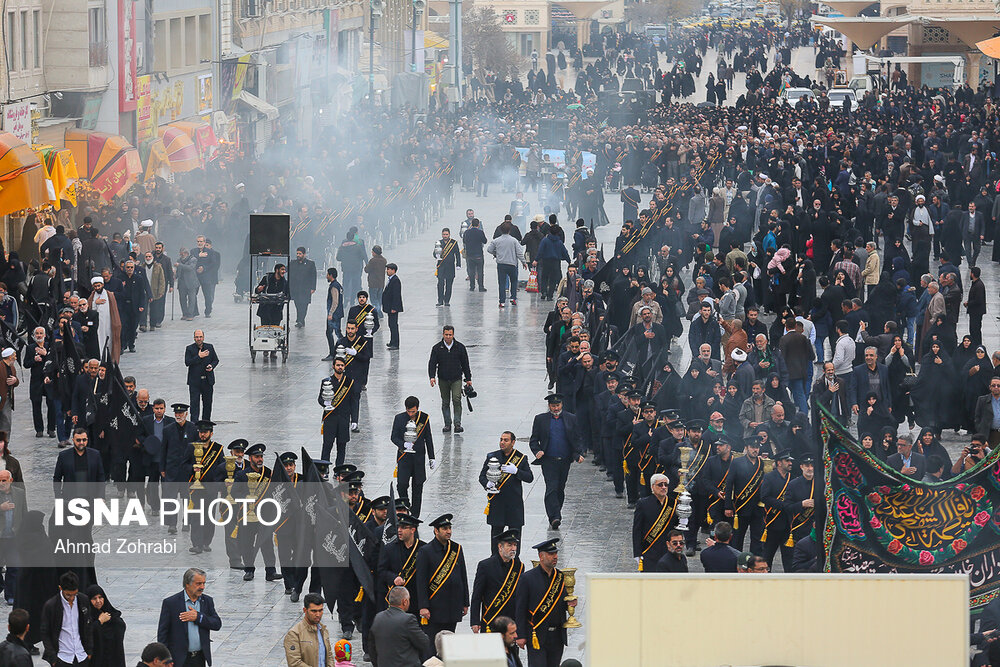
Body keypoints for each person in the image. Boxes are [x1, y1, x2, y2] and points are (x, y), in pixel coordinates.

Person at [515, 539, 574, 667]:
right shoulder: (527, 578)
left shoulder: (559, 576)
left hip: (557, 636)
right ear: (541, 556)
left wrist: (570, 603)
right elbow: (520, 609)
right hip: (537, 634)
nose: (555, 557)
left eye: (556, 554)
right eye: (551, 554)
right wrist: (520, 634)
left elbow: (562, 602)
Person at [529, 394, 584, 530]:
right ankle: (554, 517)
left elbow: (577, 438)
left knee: (560, 488)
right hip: (548, 460)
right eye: (553, 406)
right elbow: (534, 439)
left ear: (561, 405)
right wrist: (537, 451)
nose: (555, 408)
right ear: (549, 406)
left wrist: (578, 454)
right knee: (551, 488)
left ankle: (556, 511)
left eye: (557, 405)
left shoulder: (571, 418)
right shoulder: (540, 419)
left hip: (565, 460)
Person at [415, 514, 469, 643]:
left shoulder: (456, 549)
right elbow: (421, 581)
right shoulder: (425, 551)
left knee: (450, 643)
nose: (449, 531)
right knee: (433, 644)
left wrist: (465, 602)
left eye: (449, 528)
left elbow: (463, 576)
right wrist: (423, 606)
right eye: (445, 528)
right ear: (436, 530)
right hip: (435, 607)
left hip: (453, 606)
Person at [478, 432, 533, 553]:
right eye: (501, 439)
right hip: (497, 503)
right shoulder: (492, 457)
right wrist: (487, 484)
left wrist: (517, 471)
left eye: (506, 440)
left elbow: (529, 477)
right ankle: (495, 561)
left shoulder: (521, 458)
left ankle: (515, 562)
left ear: (513, 442)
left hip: (514, 504)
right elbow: (482, 476)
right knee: (496, 536)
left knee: (515, 537)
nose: (502, 442)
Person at [156, 568, 222, 667]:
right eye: (198, 584)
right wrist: (165, 659)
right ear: (187, 584)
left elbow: (217, 624)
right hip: (178, 659)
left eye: (204, 583)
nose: (202, 587)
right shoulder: (171, 603)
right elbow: (162, 634)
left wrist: (198, 617)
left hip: (199, 658)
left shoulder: (207, 601)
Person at [470, 530, 523, 635]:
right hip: (491, 619)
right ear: (500, 547)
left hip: (510, 621)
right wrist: (475, 621)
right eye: (509, 545)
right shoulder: (485, 565)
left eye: (515, 545)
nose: (513, 549)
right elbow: (477, 595)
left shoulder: (519, 566)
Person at [390, 396, 435, 517]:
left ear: (418, 409)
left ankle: (415, 515)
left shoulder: (424, 418)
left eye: (413, 411)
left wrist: (432, 457)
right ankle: (405, 505)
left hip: (419, 459)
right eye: (409, 411)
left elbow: (428, 438)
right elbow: (393, 437)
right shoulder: (399, 418)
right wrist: (403, 444)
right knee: (402, 485)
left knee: (418, 488)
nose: (411, 414)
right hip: (404, 458)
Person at [40, 571, 92, 667]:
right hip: (62, 658)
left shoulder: (83, 600)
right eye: (68, 595)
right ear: (60, 588)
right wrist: (53, 658)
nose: (72, 598)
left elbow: (88, 626)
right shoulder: (51, 606)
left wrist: (89, 651)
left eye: (74, 594)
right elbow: (45, 633)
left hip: (82, 656)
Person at [427, 326, 472, 433]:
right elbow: (432, 363)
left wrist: (468, 378)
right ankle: (447, 424)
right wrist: (432, 377)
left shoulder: (460, 347)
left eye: (450, 335)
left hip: (456, 378)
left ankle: (457, 423)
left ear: (453, 335)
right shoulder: (437, 348)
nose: (448, 337)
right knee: (445, 402)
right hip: (443, 379)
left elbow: (465, 363)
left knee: (456, 399)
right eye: (446, 334)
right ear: (443, 334)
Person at [370, 586, 429, 667]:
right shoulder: (408, 619)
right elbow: (424, 643)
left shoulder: (378, 617)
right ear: (404, 602)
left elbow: (372, 648)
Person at [319, 357, 357, 466]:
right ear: (333, 366)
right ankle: (324, 469)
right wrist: (325, 403)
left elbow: (354, 402)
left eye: (342, 365)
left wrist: (354, 420)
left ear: (344, 367)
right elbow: (320, 398)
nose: (340, 367)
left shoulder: (349, 382)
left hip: (344, 419)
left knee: (342, 446)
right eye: (338, 365)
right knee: (327, 445)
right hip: (330, 418)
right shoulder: (326, 382)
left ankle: (338, 470)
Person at [631, 473, 673, 571]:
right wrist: (637, 553)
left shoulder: (673, 503)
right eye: (660, 485)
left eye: (666, 485)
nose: (663, 487)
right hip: (649, 550)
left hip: (668, 551)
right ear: (652, 487)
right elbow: (637, 530)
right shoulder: (643, 504)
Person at [283, 593, 332, 667]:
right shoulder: (294, 634)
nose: (318, 614)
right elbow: (294, 663)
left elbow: (329, 656)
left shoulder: (323, 630)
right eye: (314, 611)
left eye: (320, 610)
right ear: (305, 610)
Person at [486, 223, 527, 308]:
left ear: (501, 230)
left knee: (502, 283)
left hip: (501, 265)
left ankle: (502, 301)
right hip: (512, 264)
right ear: (509, 231)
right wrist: (524, 262)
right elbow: (519, 253)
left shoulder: (496, 240)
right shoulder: (514, 240)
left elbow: (489, 249)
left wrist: (496, 253)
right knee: (514, 281)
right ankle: (513, 298)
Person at [86, 584, 126, 667]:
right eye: (94, 598)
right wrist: (99, 622)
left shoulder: (112, 615)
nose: (98, 601)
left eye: (100, 597)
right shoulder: (85, 616)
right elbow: (86, 633)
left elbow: (121, 626)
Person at [184, 330, 218, 422]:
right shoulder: (189, 349)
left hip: (207, 381)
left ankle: (206, 423)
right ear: (194, 338)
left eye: (200, 337)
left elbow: (215, 360)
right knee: (194, 404)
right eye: (197, 337)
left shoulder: (209, 347)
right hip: (195, 381)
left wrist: (211, 366)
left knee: (207, 404)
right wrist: (199, 356)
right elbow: (187, 362)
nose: (199, 339)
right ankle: (194, 424)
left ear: (203, 337)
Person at [289, 247, 318, 328]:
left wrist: (313, 287)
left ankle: (300, 320)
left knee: (304, 305)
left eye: (300, 254)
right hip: (295, 288)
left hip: (306, 288)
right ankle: (300, 319)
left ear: (304, 254)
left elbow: (313, 276)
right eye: (297, 253)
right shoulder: (293, 263)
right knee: (297, 305)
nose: (298, 255)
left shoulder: (310, 264)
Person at [194, 236, 219, 318]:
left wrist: (204, 268)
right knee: (193, 294)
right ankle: (194, 311)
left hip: (206, 276)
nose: (199, 243)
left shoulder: (210, 252)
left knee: (207, 295)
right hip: (196, 276)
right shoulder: (193, 251)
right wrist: (199, 256)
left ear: (204, 242)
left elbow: (213, 263)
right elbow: (191, 260)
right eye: (198, 241)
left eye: (201, 241)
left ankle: (208, 311)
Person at [434, 228, 461, 307]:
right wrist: (436, 255)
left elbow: (457, 254)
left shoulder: (453, 243)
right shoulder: (439, 243)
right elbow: (434, 253)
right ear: (442, 235)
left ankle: (447, 301)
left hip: (450, 267)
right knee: (440, 284)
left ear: (449, 234)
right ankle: (440, 300)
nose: (445, 236)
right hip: (441, 266)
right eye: (444, 234)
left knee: (449, 285)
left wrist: (458, 264)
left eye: (446, 234)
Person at [324, 268, 345, 360]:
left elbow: (335, 301)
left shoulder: (334, 286)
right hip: (338, 313)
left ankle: (333, 353)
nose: (326, 276)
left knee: (331, 333)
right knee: (336, 332)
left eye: (327, 274)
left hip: (334, 315)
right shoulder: (338, 285)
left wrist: (330, 313)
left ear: (331, 275)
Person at [462, 219, 488, 293]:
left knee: (471, 271)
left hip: (470, 255)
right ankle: (481, 287)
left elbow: (464, 241)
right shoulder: (480, 232)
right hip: (478, 254)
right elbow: (485, 241)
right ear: (478, 225)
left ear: (471, 224)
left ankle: (472, 286)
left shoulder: (467, 232)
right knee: (480, 271)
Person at [975, 377, 1000, 446]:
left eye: (998, 385)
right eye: (993, 385)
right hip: (989, 436)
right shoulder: (982, 400)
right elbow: (977, 418)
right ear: (990, 387)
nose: (996, 387)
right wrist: (981, 434)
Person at [383, 264, 403, 350]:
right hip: (389, 307)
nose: (387, 271)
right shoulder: (391, 280)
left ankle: (395, 343)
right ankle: (392, 341)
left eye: (388, 269)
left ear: (393, 270)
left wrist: (394, 307)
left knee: (393, 325)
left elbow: (396, 295)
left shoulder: (395, 280)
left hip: (393, 308)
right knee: (391, 325)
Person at [365, 246, 388, 313]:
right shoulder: (384, 260)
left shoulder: (373, 261)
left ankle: (377, 311)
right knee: (379, 299)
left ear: (375, 252)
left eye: (372, 251)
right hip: (381, 283)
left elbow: (367, 269)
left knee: (373, 299)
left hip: (373, 283)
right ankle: (379, 309)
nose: (371, 253)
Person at [0, 349, 17, 434]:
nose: (16, 358)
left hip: (7, 398)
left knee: (6, 422)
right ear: (10, 357)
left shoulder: (12, 368)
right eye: (14, 355)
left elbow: (16, 382)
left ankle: (4, 444)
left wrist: (15, 380)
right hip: (1, 398)